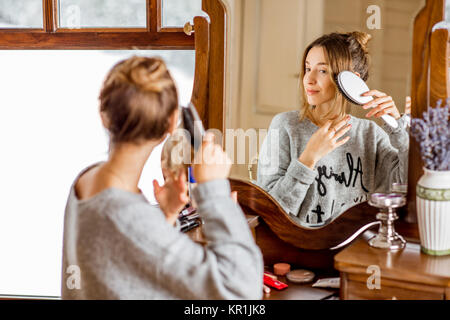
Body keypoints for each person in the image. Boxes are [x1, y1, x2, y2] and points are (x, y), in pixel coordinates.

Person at [61, 56, 263, 299]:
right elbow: (242, 290)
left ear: (103, 114)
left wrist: (165, 219)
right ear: (171, 124)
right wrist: (215, 192)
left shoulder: (86, 180)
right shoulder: (128, 216)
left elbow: (120, 267)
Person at [257, 32, 410, 225]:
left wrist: (398, 129)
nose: (308, 79)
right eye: (307, 68)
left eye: (322, 71)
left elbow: (404, 188)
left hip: (353, 250)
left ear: (350, 80)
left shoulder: (370, 135)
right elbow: (267, 210)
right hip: (295, 249)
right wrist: (308, 158)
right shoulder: (284, 126)